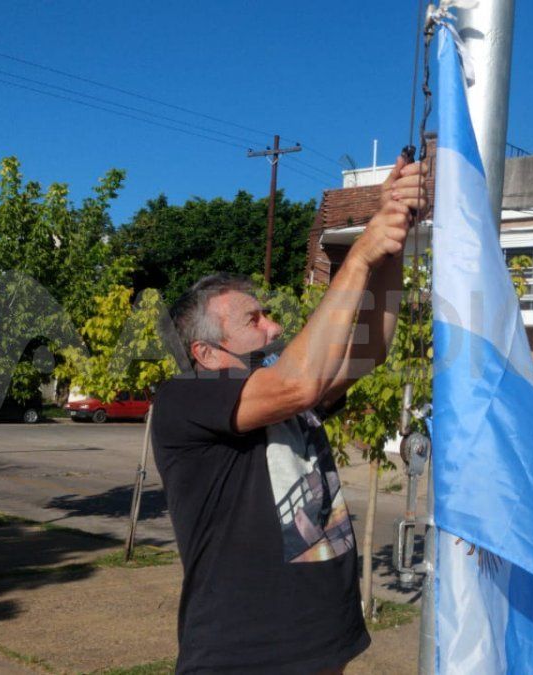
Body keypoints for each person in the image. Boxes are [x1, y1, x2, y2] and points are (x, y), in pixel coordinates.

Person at [153, 156, 427, 674]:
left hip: (323, 639)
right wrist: (362, 253)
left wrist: (395, 232)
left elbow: (369, 350)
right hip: (245, 654)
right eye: (253, 320)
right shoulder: (184, 398)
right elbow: (297, 384)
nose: (274, 328)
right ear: (206, 353)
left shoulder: (289, 386)